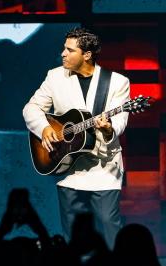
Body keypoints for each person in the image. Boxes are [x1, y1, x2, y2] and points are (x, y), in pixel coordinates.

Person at [23, 27, 130, 248]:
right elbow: (31, 108)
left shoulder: (117, 82)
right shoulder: (55, 76)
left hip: (104, 166)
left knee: (108, 226)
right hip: (68, 164)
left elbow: (119, 121)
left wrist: (109, 130)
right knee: (73, 232)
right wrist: (44, 128)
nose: (63, 53)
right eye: (64, 48)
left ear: (87, 55)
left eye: (69, 50)